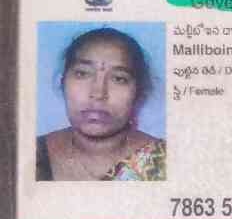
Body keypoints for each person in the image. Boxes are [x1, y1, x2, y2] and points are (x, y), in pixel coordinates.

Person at [36, 27, 166, 181]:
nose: (98, 93)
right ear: (63, 83)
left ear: (138, 91)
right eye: (82, 73)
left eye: (118, 79)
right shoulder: (31, 154)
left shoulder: (163, 161)